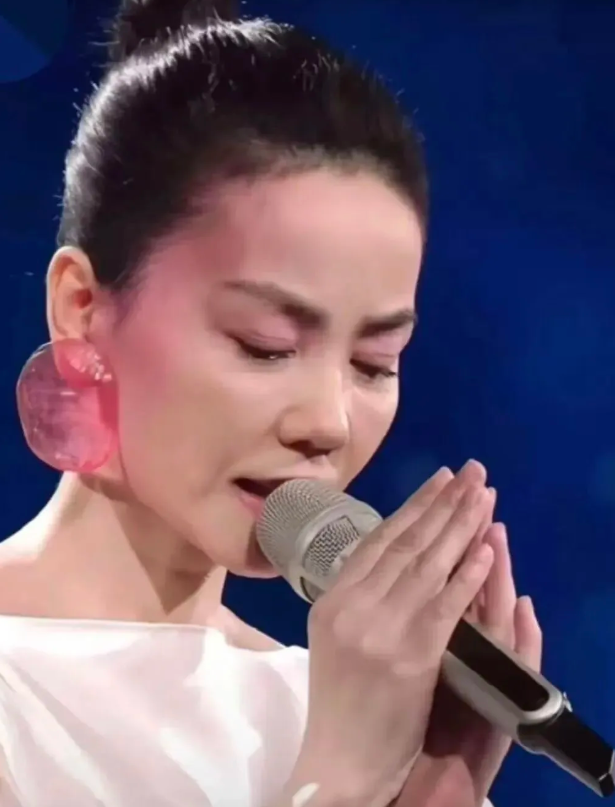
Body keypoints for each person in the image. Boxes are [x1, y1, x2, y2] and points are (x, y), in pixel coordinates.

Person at [0, 1, 542, 805]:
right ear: (81, 307)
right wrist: (340, 779)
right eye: (265, 345)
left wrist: (438, 787)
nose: (326, 422)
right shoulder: (348, 732)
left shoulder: (330, 703)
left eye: (373, 362)